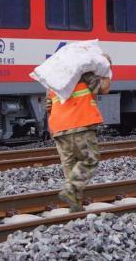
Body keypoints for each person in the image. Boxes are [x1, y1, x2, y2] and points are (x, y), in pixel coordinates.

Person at [48, 55, 112, 212]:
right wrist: (107, 69)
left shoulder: (53, 80)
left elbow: (48, 105)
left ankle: (75, 205)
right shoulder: (85, 75)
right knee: (90, 160)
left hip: (58, 128)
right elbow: (104, 89)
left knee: (70, 166)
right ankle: (70, 190)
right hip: (79, 124)